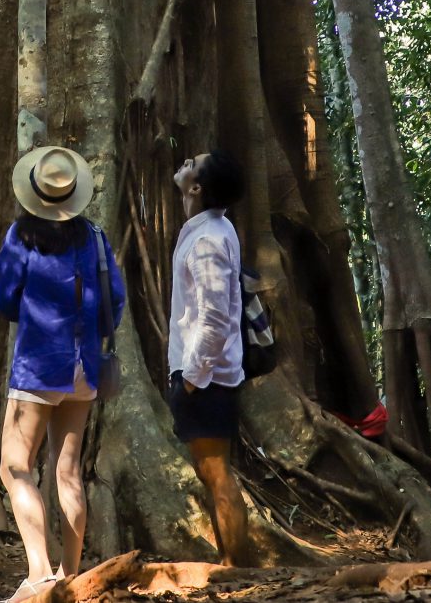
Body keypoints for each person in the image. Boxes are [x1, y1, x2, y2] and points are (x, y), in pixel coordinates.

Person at [0, 145, 126, 603]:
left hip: (38, 367)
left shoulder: (22, 236)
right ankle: (72, 574)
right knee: (67, 471)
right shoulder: (95, 237)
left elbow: (5, 296)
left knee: (16, 468)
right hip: (84, 368)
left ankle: (40, 576)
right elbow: (117, 302)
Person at [168, 148, 250, 567]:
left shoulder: (206, 241)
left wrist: (191, 377)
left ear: (197, 187)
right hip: (209, 374)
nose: (184, 163)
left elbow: (215, 318)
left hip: (207, 377)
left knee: (217, 472)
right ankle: (231, 561)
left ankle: (237, 566)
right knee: (212, 470)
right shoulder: (212, 229)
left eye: (191, 165)